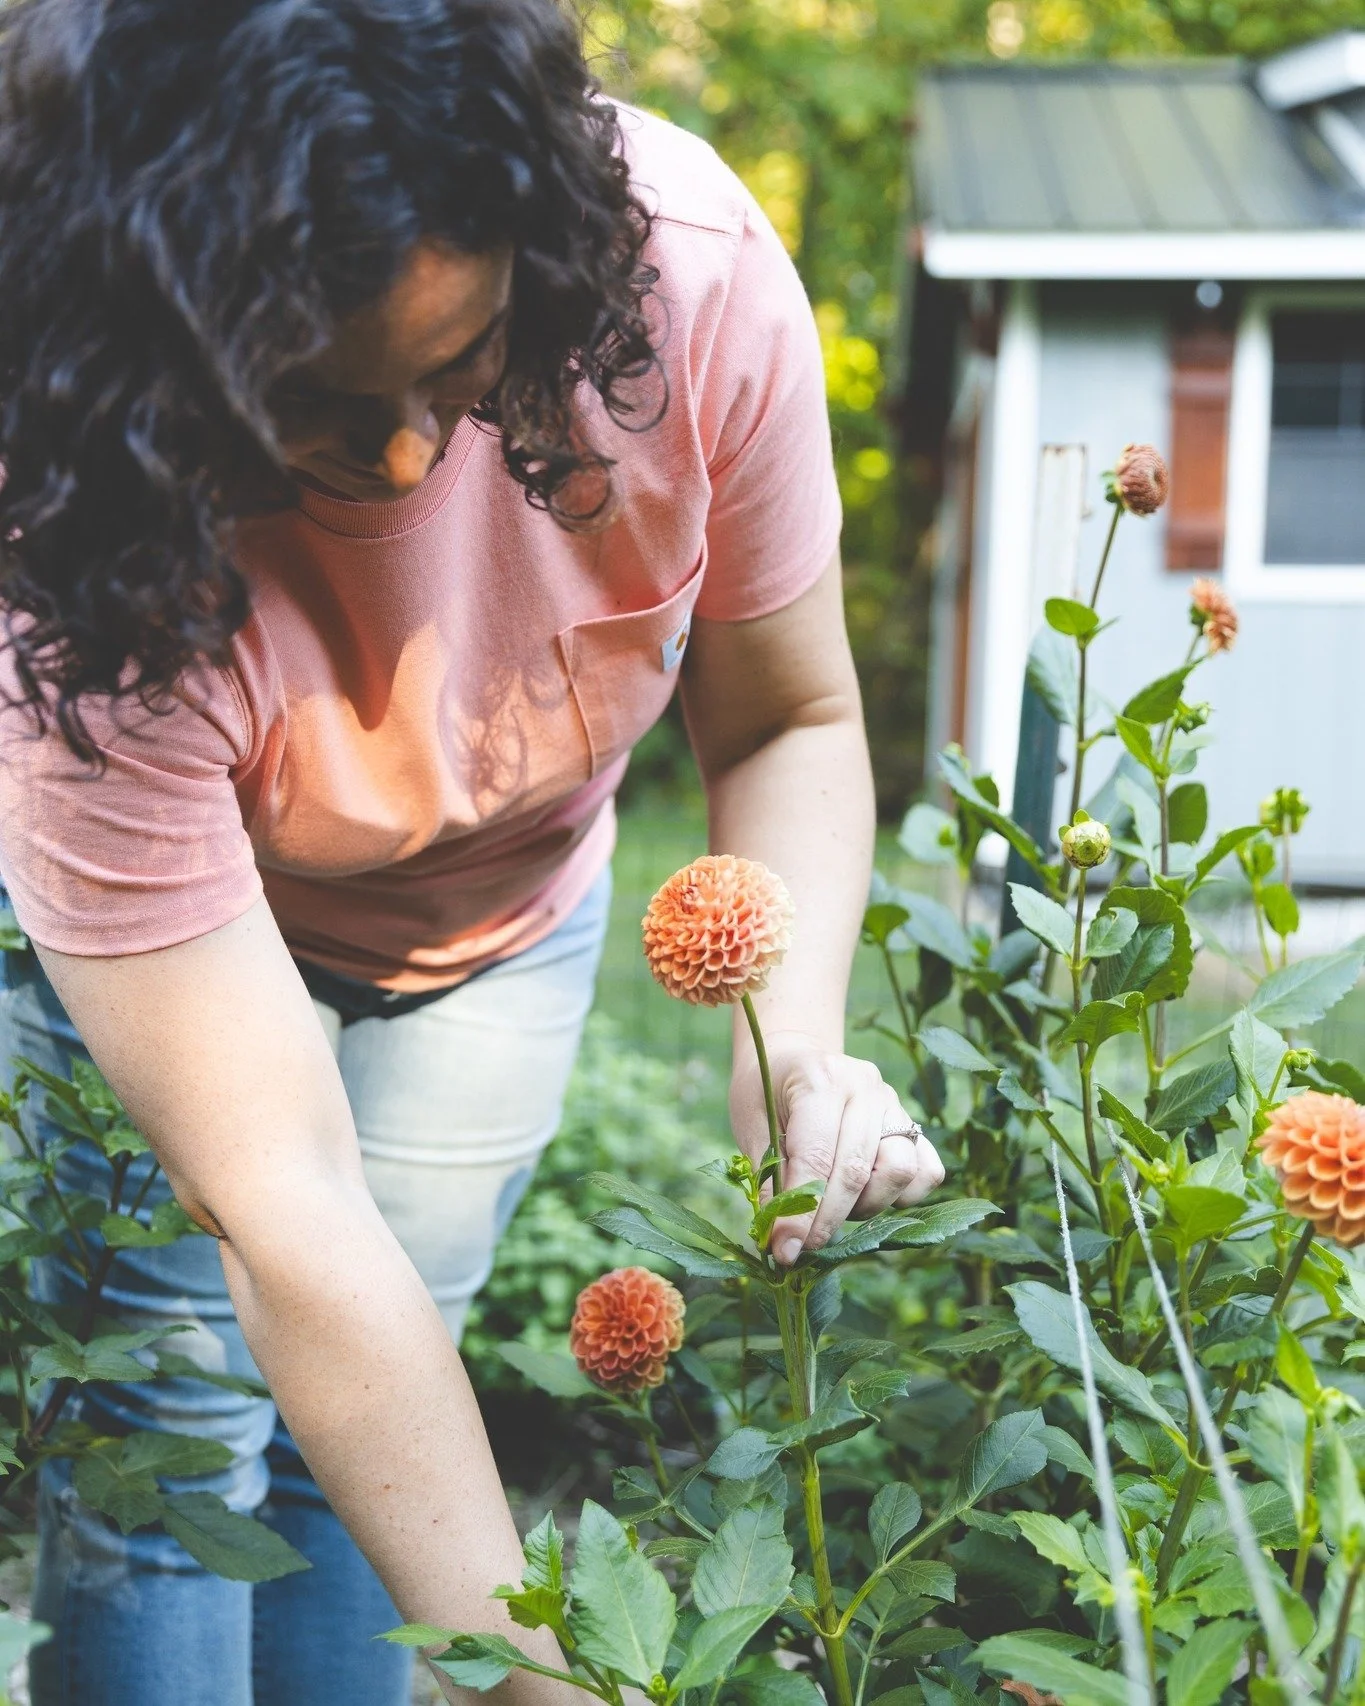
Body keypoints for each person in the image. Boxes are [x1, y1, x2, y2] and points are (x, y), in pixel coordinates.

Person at [0, 2, 946, 1702]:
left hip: (494, 937)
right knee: (165, 1451)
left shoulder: (698, 288)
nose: (408, 465)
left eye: (460, 370)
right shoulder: (58, 533)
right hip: (168, 966)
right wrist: (551, 1679)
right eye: (313, 408)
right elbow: (276, 1197)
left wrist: (787, 1048)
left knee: (361, 1449)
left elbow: (790, 721)